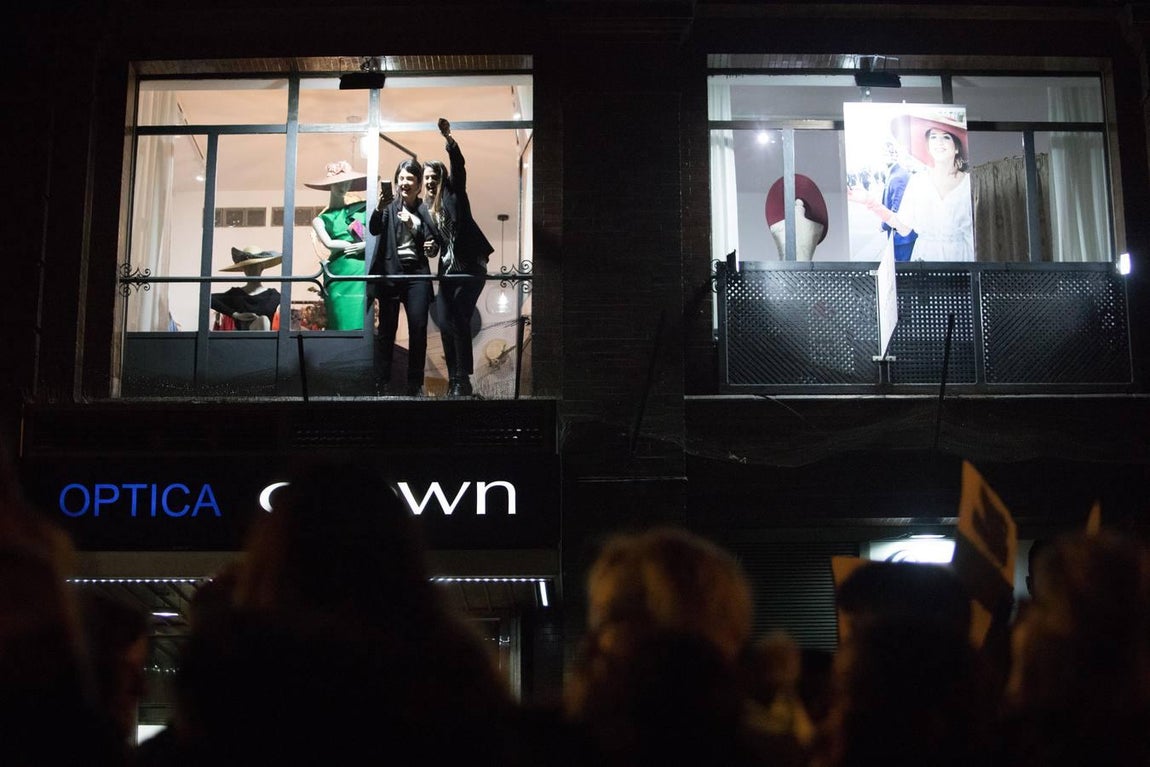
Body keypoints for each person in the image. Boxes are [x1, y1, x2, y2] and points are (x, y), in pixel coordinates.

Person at [423, 117, 494, 397]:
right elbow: (436, 244)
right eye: (427, 178)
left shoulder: (454, 196)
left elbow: (459, 167)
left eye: (435, 177)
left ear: (442, 179)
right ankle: (454, 378)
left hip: (471, 267)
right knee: (444, 320)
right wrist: (431, 248)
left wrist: (449, 140)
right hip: (448, 272)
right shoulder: (428, 212)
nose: (430, 181)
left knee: (459, 316)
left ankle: (462, 379)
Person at [850, 114, 974, 262]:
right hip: (925, 259)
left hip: (961, 259)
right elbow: (904, 228)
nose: (939, 142)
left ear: (957, 148)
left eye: (946, 137)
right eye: (933, 137)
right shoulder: (918, 181)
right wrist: (870, 202)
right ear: (928, 145)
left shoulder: (970, 182)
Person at [368, 159, 436, 396]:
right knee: (387, 330)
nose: (404, 183)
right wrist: (379, 207)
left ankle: (414, 384)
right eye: (401, 178)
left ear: (418, 185)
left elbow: (433, 239)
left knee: (418, 328)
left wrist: (417, 227)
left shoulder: (424, 209)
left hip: (417, 275)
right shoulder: (389, 206)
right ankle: (381, 383)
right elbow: (374, 228)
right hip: (391, 273)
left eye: (410, 179)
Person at [306, 160, 369, 331]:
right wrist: (353, 244)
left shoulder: (361, 209)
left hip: (359, 269)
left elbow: (376, 236)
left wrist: (365, 245)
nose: (344, 187)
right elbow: (329, 243)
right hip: (337, 273)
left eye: (347, 183)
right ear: (331, 184)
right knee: (339, 322)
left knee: (360, 322)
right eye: (339, 183)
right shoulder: (320, 219)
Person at [210, 246, 283, 330]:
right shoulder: (236, 295)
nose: (251, 269)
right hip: (242, 337)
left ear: (262, 267)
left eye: (255, 265)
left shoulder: (273, 296)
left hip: (266, 336)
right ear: (243, 269)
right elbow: (208, 298)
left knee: (264, 320)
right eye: (247, 266)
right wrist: (235, 314)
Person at [880, 136, 918, 262]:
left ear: (896, 155)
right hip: (901, 235)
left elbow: (897, 210)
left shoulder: (898, 176)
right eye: (884, 153)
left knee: (901, 269)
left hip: (901, 236)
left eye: (890, 152)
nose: (887, 155)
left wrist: (884, 225)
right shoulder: (895, 173)